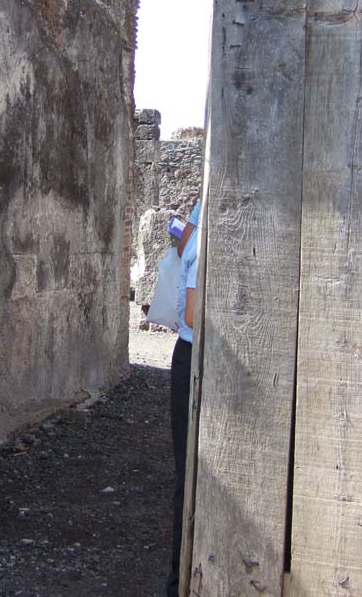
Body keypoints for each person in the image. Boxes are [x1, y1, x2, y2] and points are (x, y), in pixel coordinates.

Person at [166, 199, 199, 597]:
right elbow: (192, 314)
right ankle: (178, 581)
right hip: (193, 355)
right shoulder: (207, 227)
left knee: (187, 475)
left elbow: (182, 243)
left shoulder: (200, 217)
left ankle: (178, 580)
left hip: (188, 354)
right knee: (189, 474)